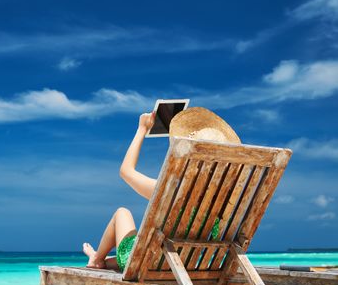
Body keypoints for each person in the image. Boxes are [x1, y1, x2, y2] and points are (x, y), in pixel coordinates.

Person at [82, 107, 241, 271]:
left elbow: (125, 171)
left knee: (122, 213)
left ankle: (96, 259)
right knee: (145, 253)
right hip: (188, 265)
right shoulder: (224, 199)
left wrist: (142, 129)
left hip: (149, 263)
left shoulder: (173, 192)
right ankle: (103, 260)